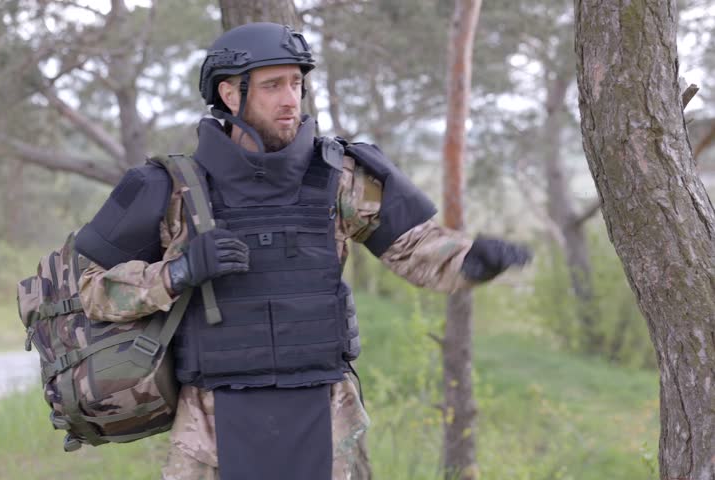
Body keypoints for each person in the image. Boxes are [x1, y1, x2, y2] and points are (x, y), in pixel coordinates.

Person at [75, 22, 530, 480]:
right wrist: (178, 272)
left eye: (296, 83)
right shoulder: (171, 189)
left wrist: (473, 260)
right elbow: (92, 292)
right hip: (211, 428)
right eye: (273, 85)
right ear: (230, 95)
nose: (291, 98)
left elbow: (416, 250)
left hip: (325, 418)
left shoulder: (339, 177)